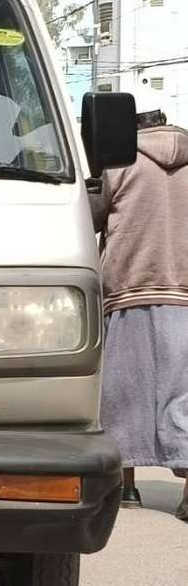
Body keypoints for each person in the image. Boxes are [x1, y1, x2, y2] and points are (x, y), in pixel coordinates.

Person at [90, 115, 188, 518]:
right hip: (185, 290)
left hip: (131, 285)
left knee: (124, 392)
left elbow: (92, 217)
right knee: (184, 395)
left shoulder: (119, 163)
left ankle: (126, 486)